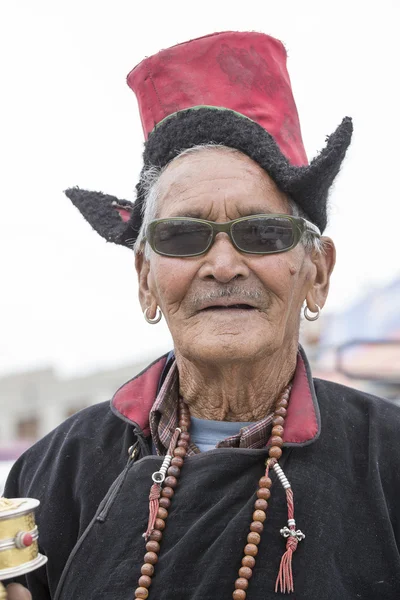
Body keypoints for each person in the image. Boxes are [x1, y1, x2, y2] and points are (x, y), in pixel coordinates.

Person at [4, 31, 400, 600]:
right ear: (146, 279)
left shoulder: (387, 460)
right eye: (183, 236)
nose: (222, 265)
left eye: (262, 233)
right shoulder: (54, 473)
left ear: (317, 271)